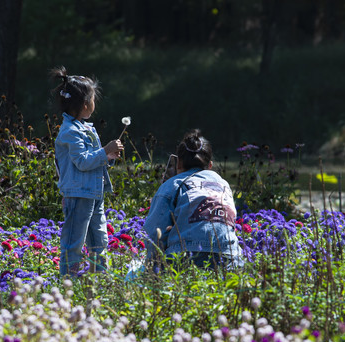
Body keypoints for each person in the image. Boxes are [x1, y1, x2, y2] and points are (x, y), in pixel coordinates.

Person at [51, 66, 124, 277]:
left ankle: (99, 280)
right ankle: (68, 282)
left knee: (99, 239)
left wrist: (108, 157)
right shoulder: (69, 132)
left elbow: (93, 161)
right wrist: (104, 151)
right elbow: (82, 162)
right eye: (92, 100)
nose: (94, 104)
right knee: (74, 241)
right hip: (78, 195)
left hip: (94, 193)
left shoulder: (86, 129)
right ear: (85, 104)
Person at [143, 129, 244, 272]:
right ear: (210, 165)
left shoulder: (172, 185)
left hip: (186, 257)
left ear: (178, 164)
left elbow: (155, 234)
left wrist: (150, 268)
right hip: (230, 258)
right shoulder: (224, 185)